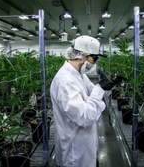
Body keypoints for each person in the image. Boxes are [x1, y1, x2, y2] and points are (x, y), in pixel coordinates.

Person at [50, 35, 118, 167]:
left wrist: (106, 87)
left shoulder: (79, 75)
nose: (95, 63)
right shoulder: (65, 81)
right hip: (74, 151)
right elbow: (84, 117)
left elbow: (93, 93)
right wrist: (99, 88)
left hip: (84, 144)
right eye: (95, 58)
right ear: (82, 56)